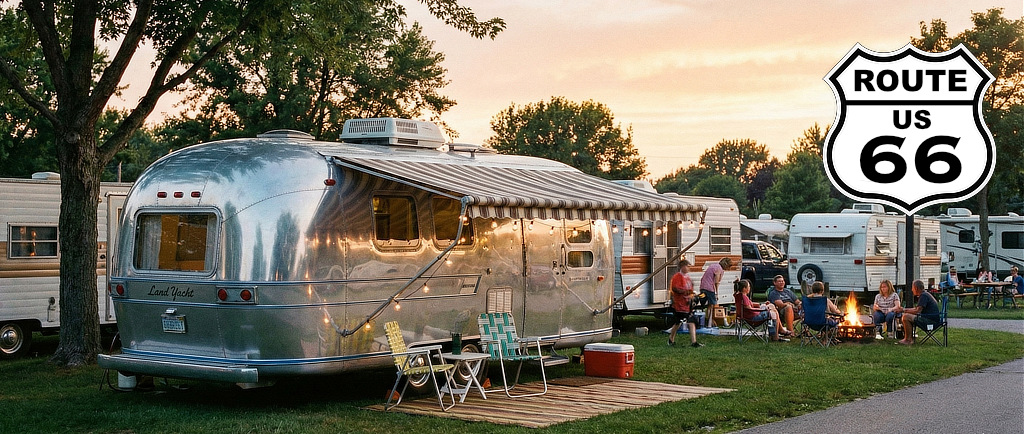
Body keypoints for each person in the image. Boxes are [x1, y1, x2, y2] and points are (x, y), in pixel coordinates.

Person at [667, 259, 702, 347]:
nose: (689, 268)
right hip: (679, 304)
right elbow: (675, 289)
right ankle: (671, 339)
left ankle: (693, 341)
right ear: (682, 267)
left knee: (690, 321)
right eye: (687, 266)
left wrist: (692, 294)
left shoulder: (687, 277)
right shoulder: (677, 277)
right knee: (678, 322)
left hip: (687, 303)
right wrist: (686, 292)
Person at [895, 280, 940, 345]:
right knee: (907, 315)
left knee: (906, 317)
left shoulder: (923, 296)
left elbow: (917, 311)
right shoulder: (925, 294)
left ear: (916, 288)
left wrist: (903, 310)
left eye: (912, 288)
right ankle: (909, 338)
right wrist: (904, 309)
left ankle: (908, 340)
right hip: (930, 319)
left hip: (930, 321)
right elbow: (916, 309)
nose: (912, 290)